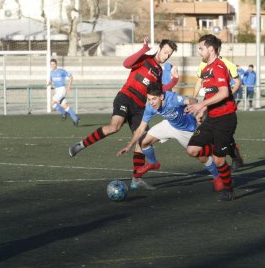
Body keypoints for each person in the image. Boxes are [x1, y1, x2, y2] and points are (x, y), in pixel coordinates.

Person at [69, 37, 178, 185]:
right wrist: (144, 49)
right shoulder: (145, 59)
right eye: (165, 52)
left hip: (140, 107)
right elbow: (126, 64)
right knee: (115, 127)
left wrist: (173, 81)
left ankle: (136, 179)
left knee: (142, 140)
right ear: (159, 48)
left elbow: (159, 91)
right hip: (126, 97)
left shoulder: (159, 71)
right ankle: (80, 145)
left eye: (169, 55)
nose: (166, 56)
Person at [116, 82, 222, 191]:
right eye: (149, 99)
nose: (151, 103)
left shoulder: (173, 98)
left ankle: (217, 177)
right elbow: (140, 129)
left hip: (186, 130)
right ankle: (153, 163)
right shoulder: (150, 107)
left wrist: (192, 105)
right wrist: (129, 146)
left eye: (154, 99)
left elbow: (190, 100)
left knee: (201, 156)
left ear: (161, 97)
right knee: (143, 142)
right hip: (169, 124)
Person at [186, 34, 238, 201]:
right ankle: (228, 148)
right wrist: (204, 110)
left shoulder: (218, 67)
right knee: (192, 150)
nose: (199, 51)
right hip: (211, 117)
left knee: (218, 160)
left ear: (210, 48)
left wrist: (201, 105)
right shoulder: (206, 68)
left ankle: (228, 188)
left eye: (201, 48)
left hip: (226, 118)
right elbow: (212, 94)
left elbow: (224, 92)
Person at [193, 54, 244, 173]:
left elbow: (237, 81)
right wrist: (194, 98)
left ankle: (234, 158)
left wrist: (228, 93)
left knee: (222, 135)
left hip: (223, 105)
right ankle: (225, 159)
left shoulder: (227, 64)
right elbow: (199, 81)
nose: (201, 52)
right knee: (212, 134)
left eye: (203, 48)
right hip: (208, 104)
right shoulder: (203, 64)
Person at [48, 59, 79, 126]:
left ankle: (64, 113)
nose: (52, 65)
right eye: (51, 64)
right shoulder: (51, 72)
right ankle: (75, 119)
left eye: (53, 64)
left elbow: (71, 76)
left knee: (52, 103)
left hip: (62, 89)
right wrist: (49, 83)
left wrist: (68, 86)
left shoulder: (61, 71)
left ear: (56, 64)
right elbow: (51, 81)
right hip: (57, 90)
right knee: (65, 106)